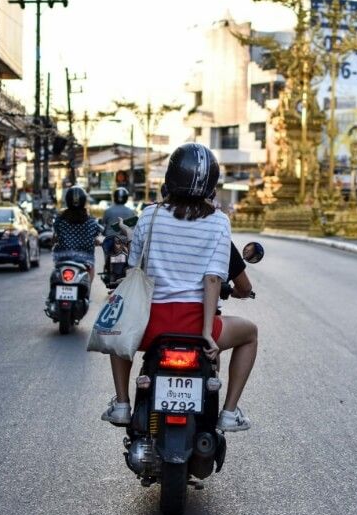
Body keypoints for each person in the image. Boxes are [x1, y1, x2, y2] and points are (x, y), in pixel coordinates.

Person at [101, 143, 258, 432]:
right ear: (211, 183)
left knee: (119, 328)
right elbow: (213, 278)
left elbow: (134, 268)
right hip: (197, 325)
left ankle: (122, 404)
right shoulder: (219, 222)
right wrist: (206, 332)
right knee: (250, 333)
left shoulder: (150, 215)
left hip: (150, 326)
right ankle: (229, 413)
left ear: (171, 178)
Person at [51, 186, 102, 271]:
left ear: (68, 200)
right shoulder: (92, 223)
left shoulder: (59, 221)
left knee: (56, 273)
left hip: (63, 258)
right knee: (90, 269)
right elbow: (98, 235)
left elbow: (54, 238)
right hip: (85, 259)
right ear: (84, 201)